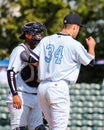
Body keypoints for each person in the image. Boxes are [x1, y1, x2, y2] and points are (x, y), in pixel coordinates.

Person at [23, 13, 96, 130]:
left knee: (53, 127)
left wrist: (43, 66)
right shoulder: (74, 44)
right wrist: (91, 46)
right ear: (75, 27)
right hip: (58, 88)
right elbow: (90, 62)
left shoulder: (46, 40)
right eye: (78, 28)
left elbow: (30, 58)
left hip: (42, 88)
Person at [6, 22, 47, 130]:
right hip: (21, 95)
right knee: (20, 128)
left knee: (39, 128)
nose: (39, 35)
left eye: (40, 33)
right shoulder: (19, 50)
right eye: (36, 32)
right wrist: (15, 94)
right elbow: (11, 72)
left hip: (35, 96)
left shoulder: (39, 51)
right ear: (27, 35)